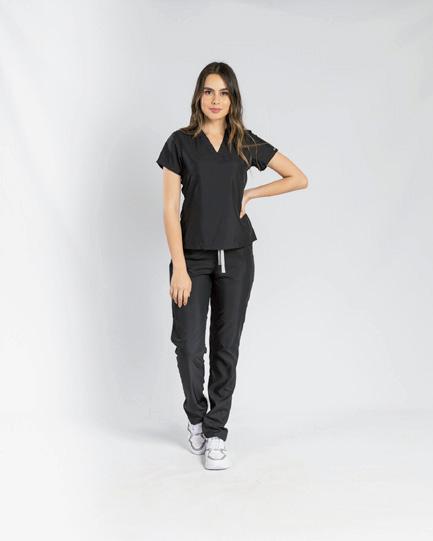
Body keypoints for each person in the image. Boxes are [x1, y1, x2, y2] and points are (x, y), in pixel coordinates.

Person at [156, 61, 308, 470]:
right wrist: (179, 265)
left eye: (224, 93)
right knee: (189, 345)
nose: (216, 100)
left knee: (226, 347)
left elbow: (298, 178)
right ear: (198, 96)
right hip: (192, 258)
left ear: (233, 99)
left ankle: (216, 432)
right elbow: (170, 208)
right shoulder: (180, 143)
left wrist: (252, 194)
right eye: (209, 91)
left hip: (237, 257)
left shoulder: (244, 142)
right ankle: (196, 416)